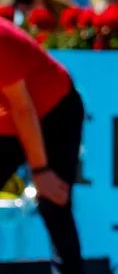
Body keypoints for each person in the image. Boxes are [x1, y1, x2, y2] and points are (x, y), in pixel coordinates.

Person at [0, 17, 85, 274]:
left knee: (53, 201)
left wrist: (40, 170)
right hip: (12, 116)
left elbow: (24, 110)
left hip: (56, 111)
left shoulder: (1, 40)